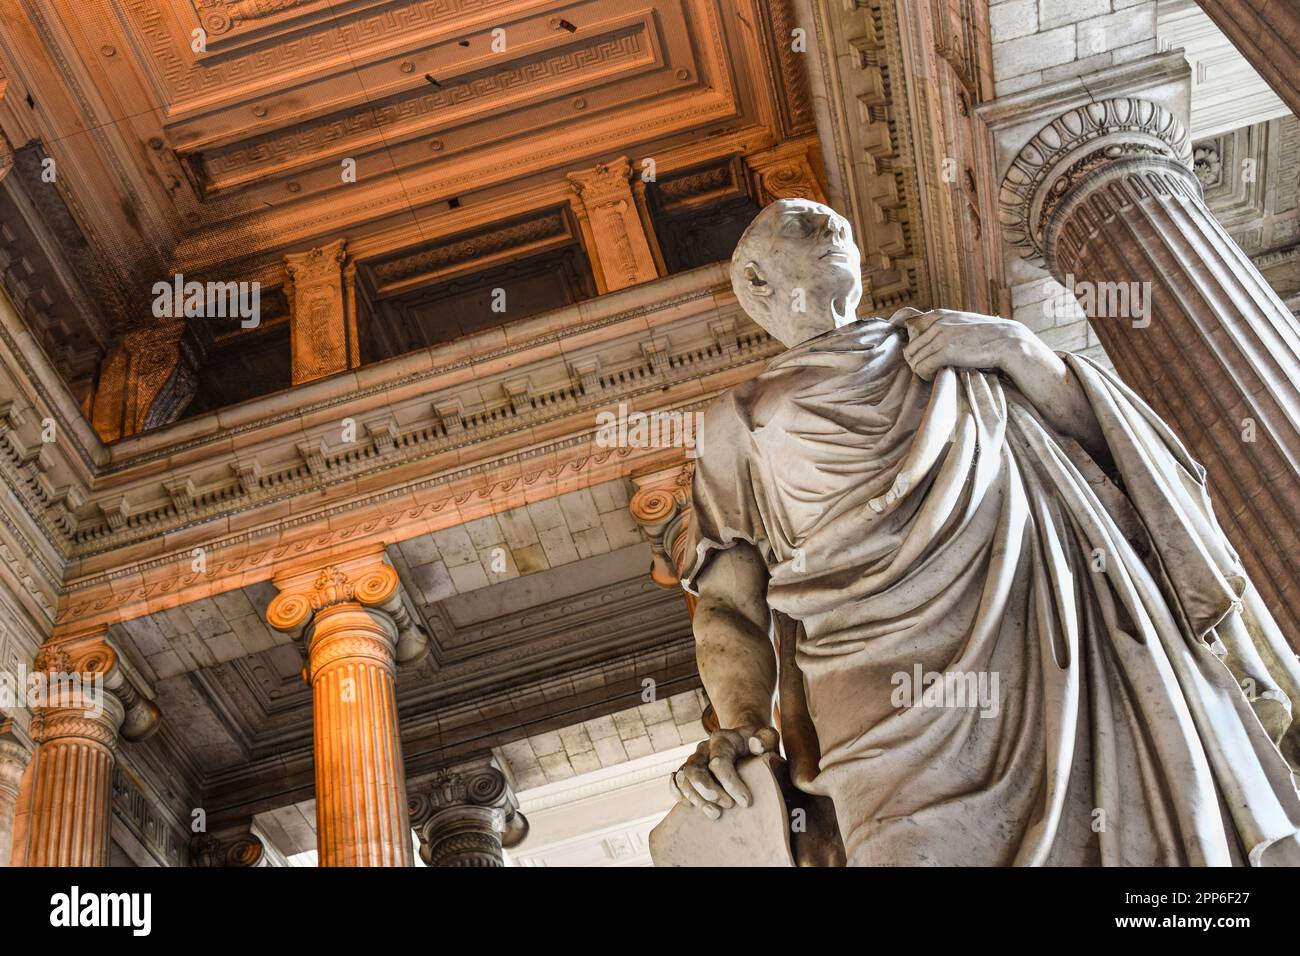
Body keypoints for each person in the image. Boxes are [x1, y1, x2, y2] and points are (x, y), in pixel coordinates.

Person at [668, 198, 1300, 865]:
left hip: (1046, 633)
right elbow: (729, 603)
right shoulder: (736, 421)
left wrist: (1019, 350)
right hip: (873, 682)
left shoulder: (954, 346)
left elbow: (1121, 459)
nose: (832, 230)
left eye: (840, 226)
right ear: (757, 282)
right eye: (800, 226)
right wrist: (741, 726)